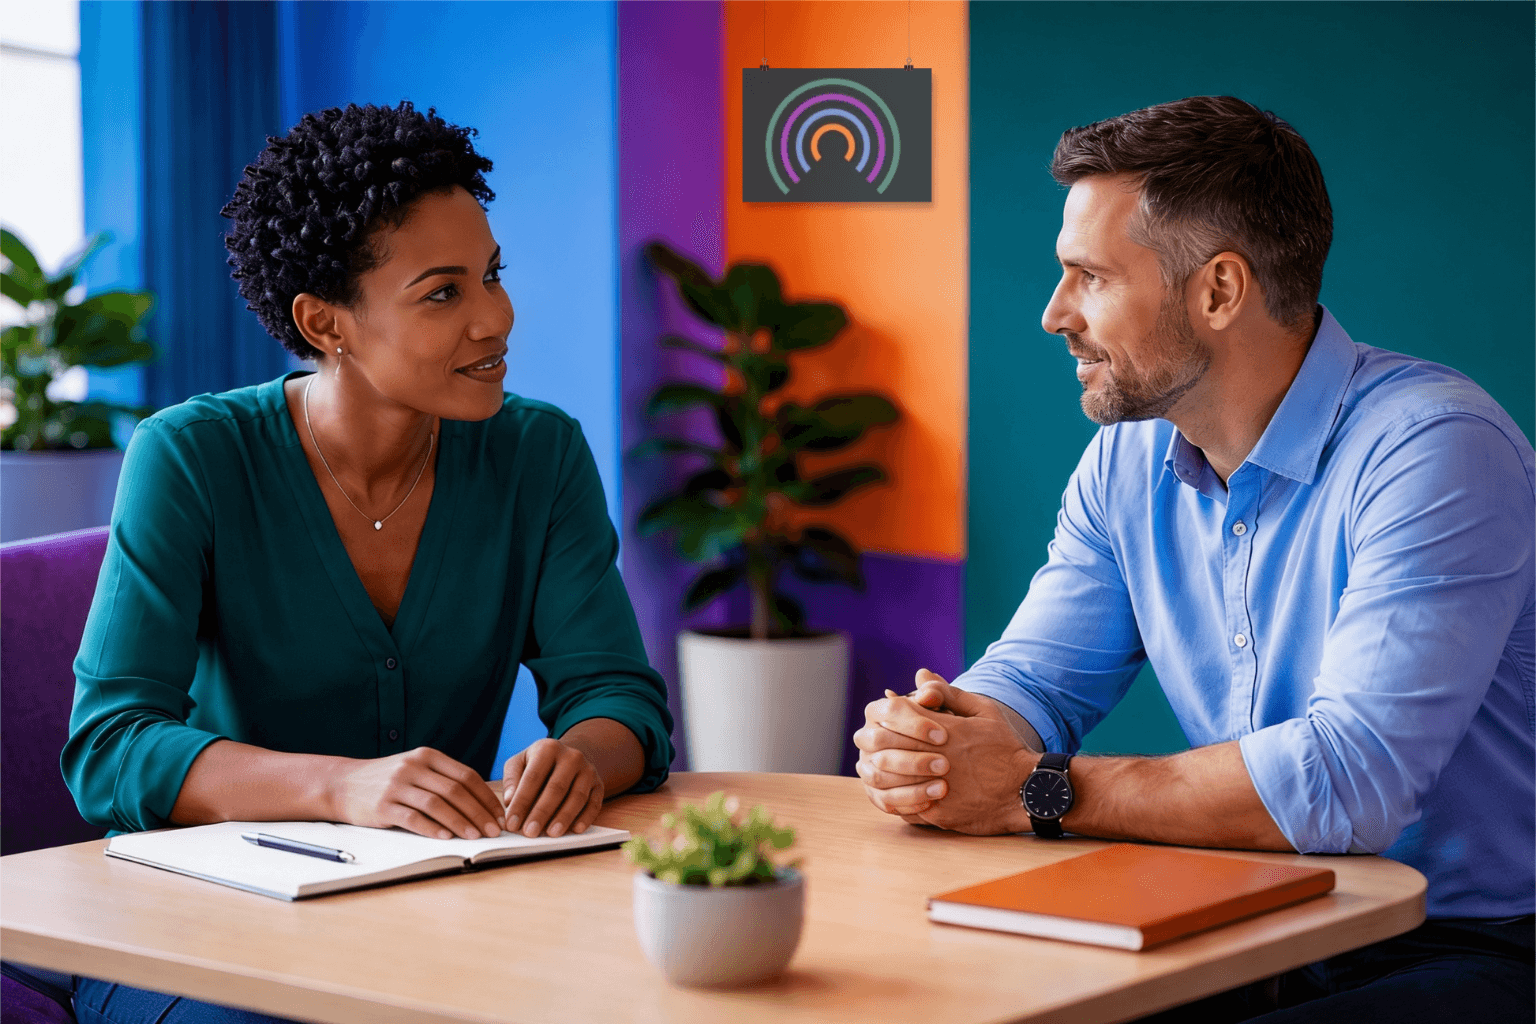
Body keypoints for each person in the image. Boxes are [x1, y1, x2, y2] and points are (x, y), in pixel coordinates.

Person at [854, 96, 1533, 1021]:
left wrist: (1030, 787)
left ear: (1219, 290)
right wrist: (938, 738)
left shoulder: (1434, 448)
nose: (1055, 314)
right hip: (1248, 915)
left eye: (1088, 277)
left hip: (1469, 943)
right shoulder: (1127, 458)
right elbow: (1037, 685)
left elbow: (1351, 780)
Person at [50, 101, 673, 1023]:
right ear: (324, 322)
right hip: (198, 931)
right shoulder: (191, 456)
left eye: (492, 276)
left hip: (436, 921)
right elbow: (109, 747)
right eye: (443, 292)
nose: (495, 319)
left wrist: (578, 758)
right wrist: (341, 787)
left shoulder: (538, 456)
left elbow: (621, 699)